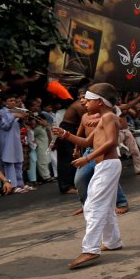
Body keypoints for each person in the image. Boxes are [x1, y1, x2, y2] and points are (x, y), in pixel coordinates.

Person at [53, 83, 123, 269]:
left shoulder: (109, 117)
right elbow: (85, 141)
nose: (84, 103)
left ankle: (90, 249)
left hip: (108, 165)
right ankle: (112, 242)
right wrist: (65, 134)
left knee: (93, 205)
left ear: (99, 102)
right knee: (105, 205)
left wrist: (88, 158)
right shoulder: (102, 118)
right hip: (105, 165)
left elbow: (112, 142)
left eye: (88, 100)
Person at [56, 92, 84, 194]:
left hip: (72, 129)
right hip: (67, 129)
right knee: (66, 159)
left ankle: (72, 184)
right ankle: (66, 186)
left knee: (73, 157)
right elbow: (84, 121)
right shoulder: (78, 105)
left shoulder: (83, 105)